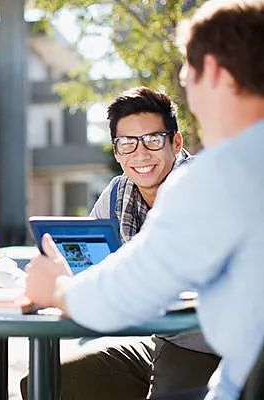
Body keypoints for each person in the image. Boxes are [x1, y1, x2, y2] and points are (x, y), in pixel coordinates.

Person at [25, 1, 264, 400]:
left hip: (227, 377)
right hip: (203, 358)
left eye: (189, 75)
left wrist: (58, 290)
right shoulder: (125, 193)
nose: (189, 92)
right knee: (53, 382)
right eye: (127, 144)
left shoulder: (219, 178)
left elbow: (127, 290)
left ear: (216, 72)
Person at [21, 87, 220, 400]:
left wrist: (64, 292)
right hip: (157, 337)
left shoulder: (199, 187)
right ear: (116, 151)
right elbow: (89, 267)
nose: (140, 154)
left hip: (207, 342)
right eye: (127, 143)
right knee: (46, 382)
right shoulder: (117, 195)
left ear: (176, 142)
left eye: (153, 139)